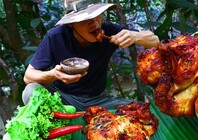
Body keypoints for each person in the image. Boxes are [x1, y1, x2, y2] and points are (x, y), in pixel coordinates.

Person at [22, 0, 159, 111]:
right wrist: (53, 75)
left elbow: (155, 41)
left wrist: (135, 36)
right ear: (71, 24)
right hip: (64, 100)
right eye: (85, 19)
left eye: (97, 15)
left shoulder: (109, 31)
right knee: (30, 91)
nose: (94, 23)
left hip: (99, 101)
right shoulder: (56, 36)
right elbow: (29, 77)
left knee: (139, 110)